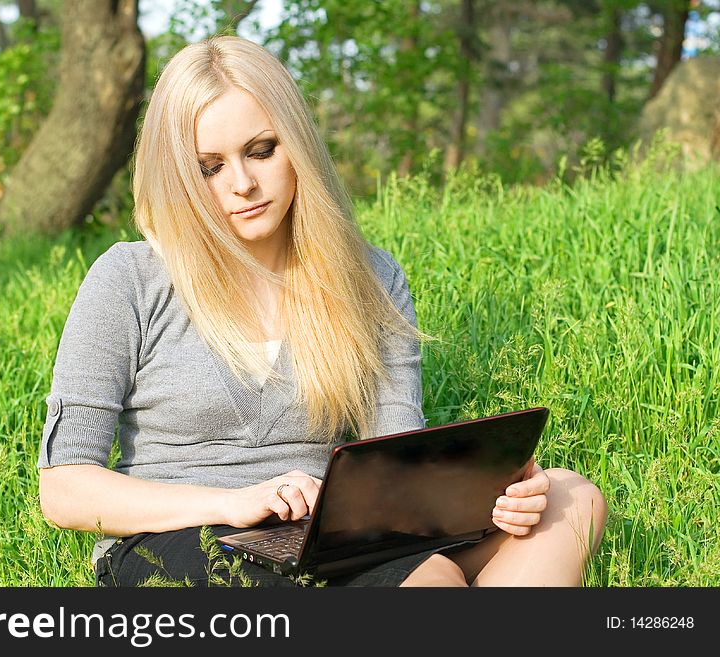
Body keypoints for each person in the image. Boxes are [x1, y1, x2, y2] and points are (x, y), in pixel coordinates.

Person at [37, 35, 608, 587]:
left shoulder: (370, 276)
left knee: (569, 500)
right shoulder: (130, 278)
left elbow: (398, 460)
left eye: (262, 150)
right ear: (179, 172)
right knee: (431, 581)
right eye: (210, 166)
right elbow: (64, 490)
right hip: (181, 538)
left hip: (328, 536)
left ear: (298, 144)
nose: (243, 184)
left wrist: (491, 496)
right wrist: (236, 504)